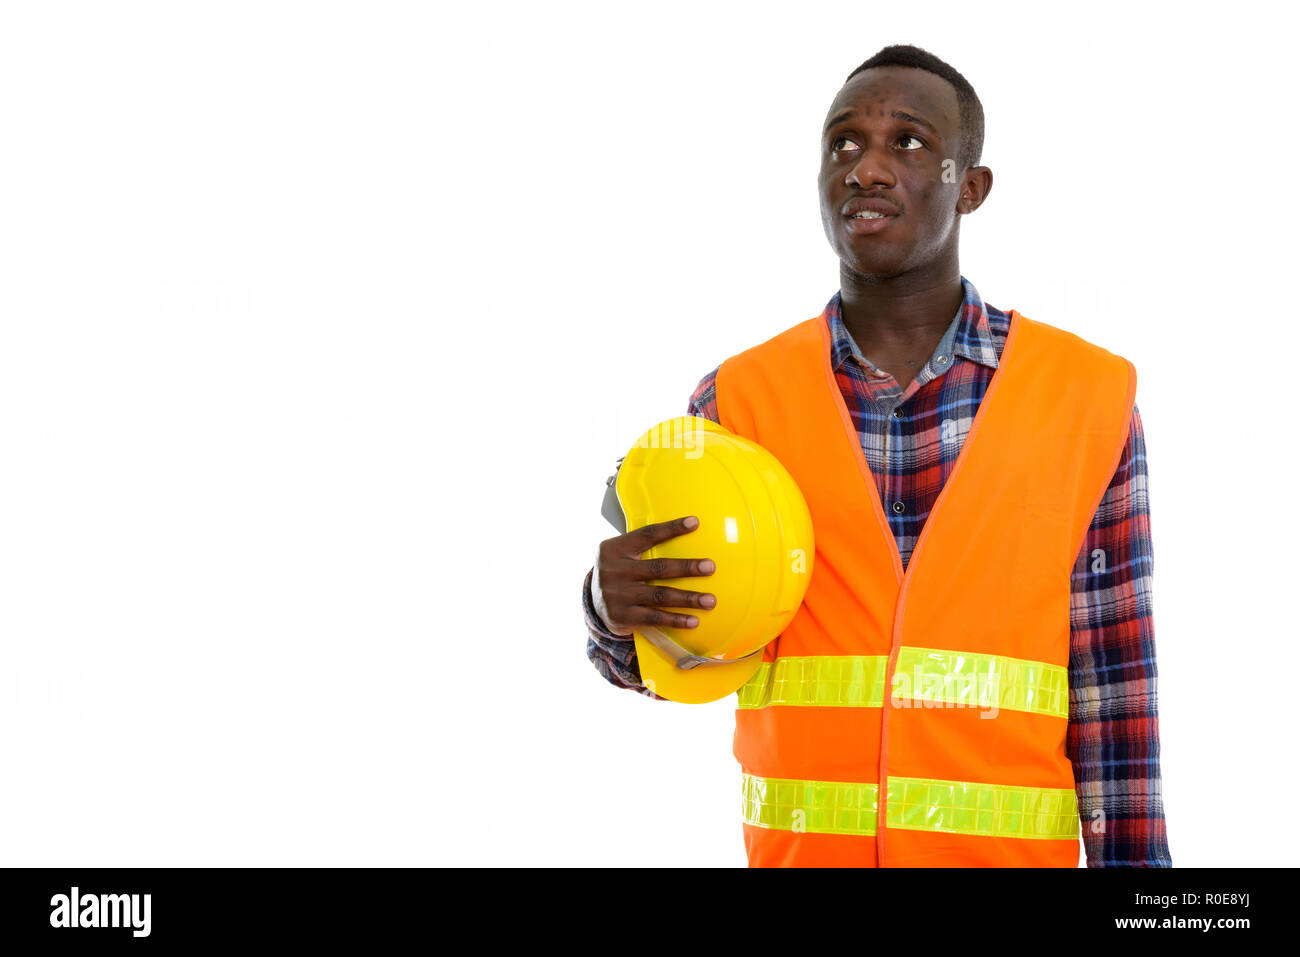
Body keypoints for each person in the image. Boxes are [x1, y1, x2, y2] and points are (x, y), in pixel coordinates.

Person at [582, 44, 1170, 868]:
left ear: (971, 187)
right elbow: (683, 657)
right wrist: (609, 609)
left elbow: (1115, 687)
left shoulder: (1086, 398)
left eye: (910, 142)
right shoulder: (735, 402)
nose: (866, 167)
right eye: (844, 144)